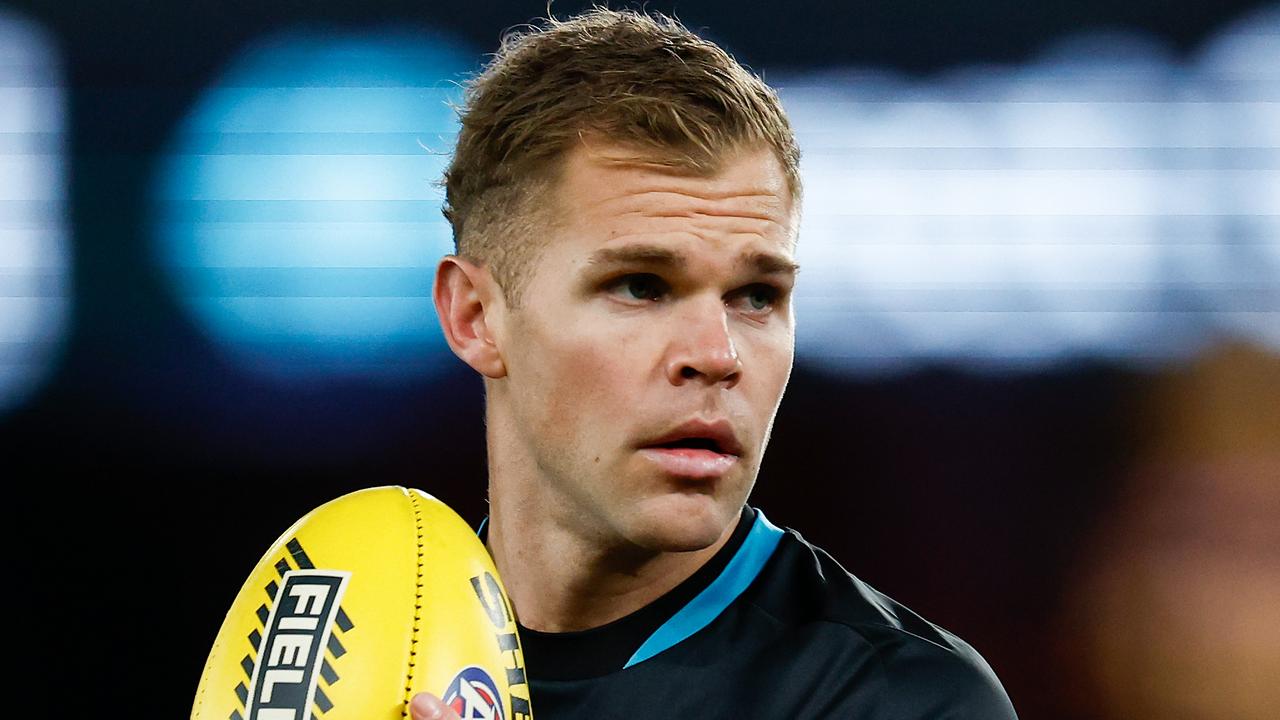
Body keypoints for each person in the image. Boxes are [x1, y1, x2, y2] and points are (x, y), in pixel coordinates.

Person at [413, 8, 1017, 719]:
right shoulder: (357, 655)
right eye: (642, 286)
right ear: (476, 317)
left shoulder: (896, 698)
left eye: (756, 296)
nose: (717, 355)